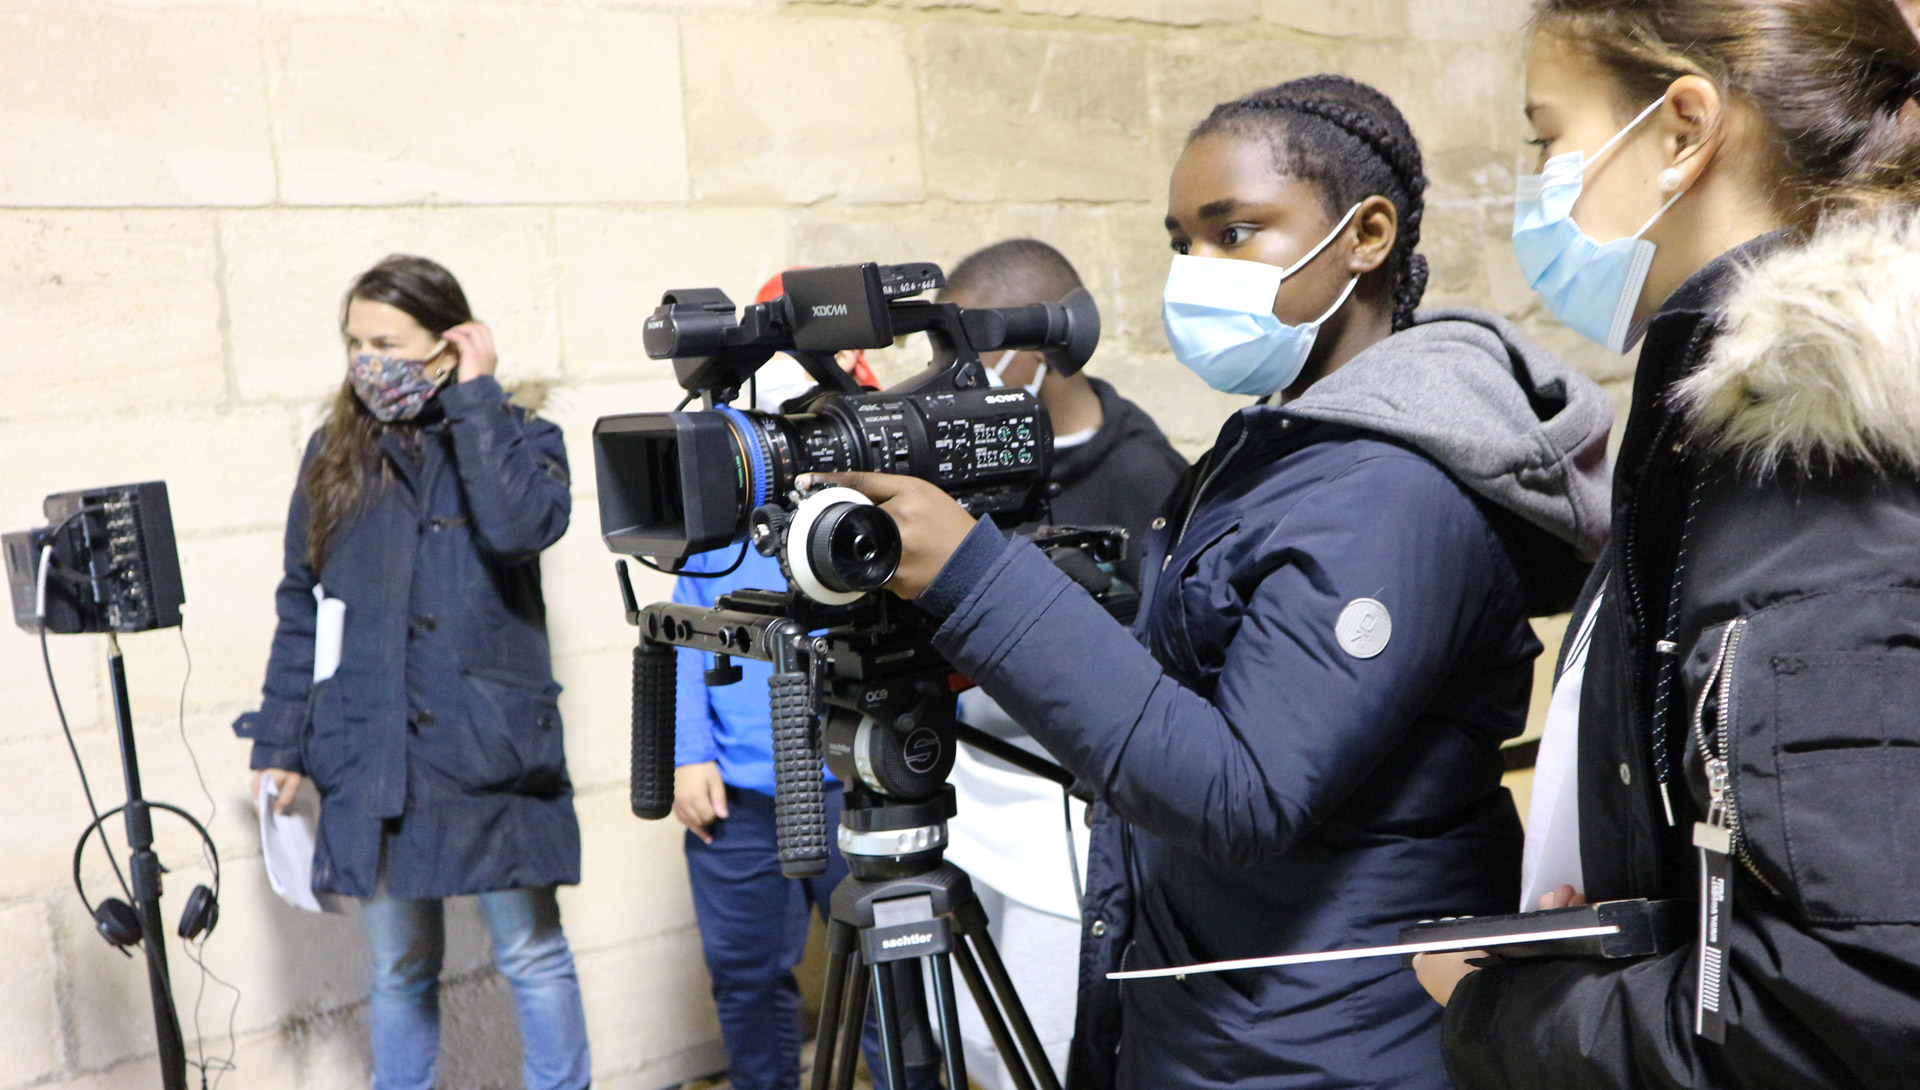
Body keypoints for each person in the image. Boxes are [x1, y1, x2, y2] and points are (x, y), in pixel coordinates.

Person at [807, 74, 1613, 1089]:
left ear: (1366, 236)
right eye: (1182, 239)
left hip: (1325, 1041)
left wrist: (975, 577)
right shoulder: (1292, 445)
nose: (1197, 267)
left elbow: (1246, 790)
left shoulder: (1389, 489)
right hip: (1230, 1009)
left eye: (1235, 232)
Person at [1410, 3, 1920, 1087]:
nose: (1542, 176)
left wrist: (1513, 1009)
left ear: (1684, 128)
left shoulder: (1823, 445)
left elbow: (1856, 1008)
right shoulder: (1729, 414)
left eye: (1548, 136)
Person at [233, 255, 589, 1090]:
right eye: (355, 342)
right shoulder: (334, 456)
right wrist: (280, 741)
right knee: (398, 968)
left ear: (448, 342)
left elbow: (518, 529)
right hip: (374, 749)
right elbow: (302, 602)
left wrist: (476, 396)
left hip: (487, 745)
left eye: (387, 342)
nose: (367, 361)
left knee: (532, 954)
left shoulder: (522, 438)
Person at [670, 272, 935, 1090]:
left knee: (890, 972)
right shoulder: (715, 499)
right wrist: (687, 756)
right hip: (740, 798)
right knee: (747, 977)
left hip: (848, 778)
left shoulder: (870, 504)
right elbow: (684, 627)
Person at [934, 238, 1187, 1089]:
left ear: (1036, 351)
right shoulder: (968, 461)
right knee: (967, 1037)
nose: (950, 378)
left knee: (1036, 1049)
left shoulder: (1147, 479)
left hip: (1064, 823)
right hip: (973, 793)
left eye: (968, 355)